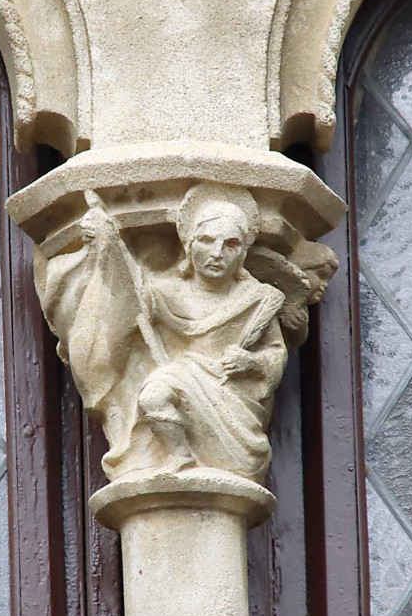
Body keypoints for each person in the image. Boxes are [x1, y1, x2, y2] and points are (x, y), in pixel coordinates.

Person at [36, 182, 289, 481]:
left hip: (231, 399)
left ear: (244, 253)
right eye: (206, 241)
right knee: (154, 394)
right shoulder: (166, 291)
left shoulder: (259, 300)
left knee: (240, 463)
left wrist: (252, 362)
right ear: (188, 245)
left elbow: (276, 353)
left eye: (231, 245)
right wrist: (109, 242)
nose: (217, 253)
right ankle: (179, 455)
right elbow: (130, 290)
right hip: (179, 378)